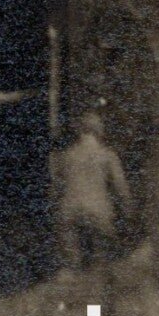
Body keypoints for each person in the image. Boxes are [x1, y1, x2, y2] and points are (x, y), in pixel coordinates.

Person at [53, 109, 131, 271]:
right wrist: (128, 210)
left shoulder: (66, 156)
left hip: (70, 211)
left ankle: (71, 276)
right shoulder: (107, 156)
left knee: (71, 261)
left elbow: (55, 189)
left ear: (79, 131)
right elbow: (121, 188)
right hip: (98, 212)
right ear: (100, 131)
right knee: (102, 260)